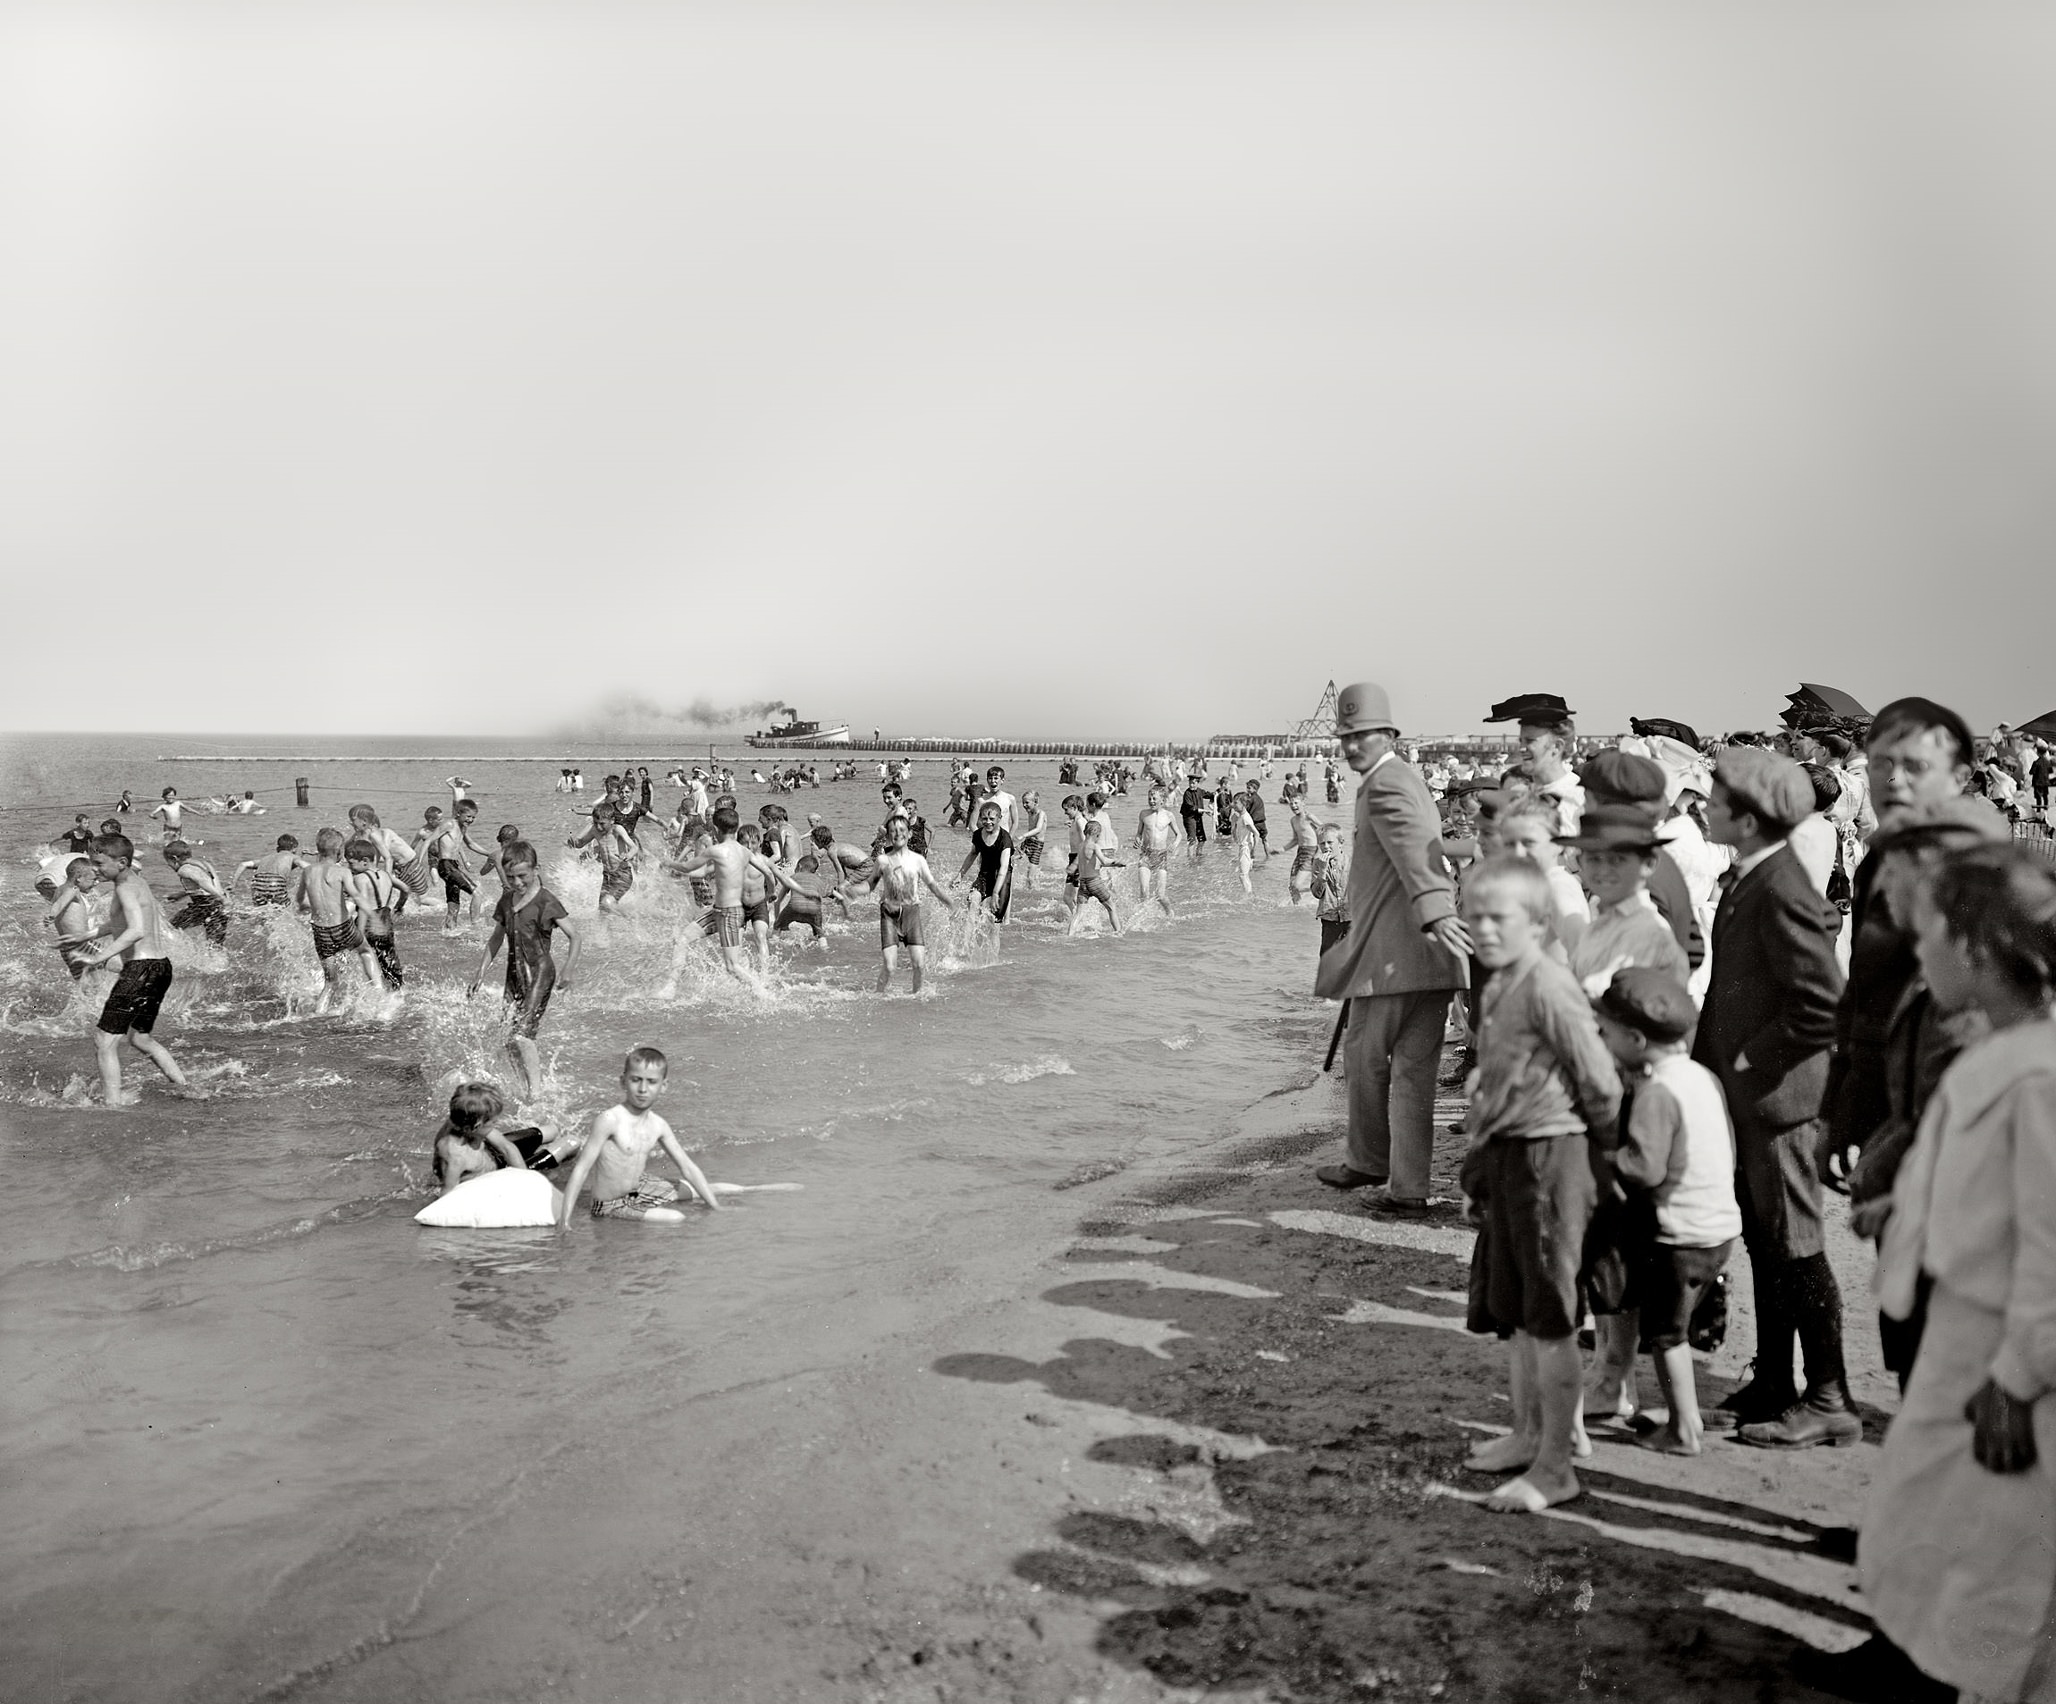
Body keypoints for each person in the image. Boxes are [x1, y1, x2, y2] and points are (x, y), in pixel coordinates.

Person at [1860, 843, 2056, 1704]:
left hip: (2007, 1370)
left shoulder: (2039, 1077)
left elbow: (2052, 1249)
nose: (1919, 948)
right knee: (1962, 1558)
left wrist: (2016, 1378)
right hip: (1967, 1347)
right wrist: (1909, 1210)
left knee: (2008, 1584)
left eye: (1930, 932)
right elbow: (1996, 1198)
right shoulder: (2000, 1052)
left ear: (1976, 950)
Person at [1694, 748, 1856, 1448]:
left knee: (1796, 1244)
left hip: (1780, 1102)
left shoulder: (1781, 885)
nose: (1706, 808)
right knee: (1766, 1241)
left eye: (1717, 800)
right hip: (1750, 1098)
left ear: (1750, 818)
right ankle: (1774, 1382)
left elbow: (1822, 1002)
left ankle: (1829, 1396)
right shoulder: (1754, 875)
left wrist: (1750, 1057)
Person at [1455, 855, 1621, 1511]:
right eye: (1474, 916)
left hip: (1552, 1156)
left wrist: (1599, 1159)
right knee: (1518, 1311)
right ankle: (1527, 1435)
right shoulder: (1501, 983)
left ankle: (1557, 1467)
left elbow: (1600, 1081)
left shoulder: (1551, 985)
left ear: (1538, 920)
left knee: (1551, 1316)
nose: (1484, 929)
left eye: (1499, 918)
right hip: (1508, 1154)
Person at [1314, 682, 1471, 1209]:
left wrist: (1435, 908)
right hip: (1428, 956)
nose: (1351, 746)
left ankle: (1367, 1161)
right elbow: (1429, 845)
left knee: (1363, 1056)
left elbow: (1412, 848)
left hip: (1395, 956)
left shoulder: (1385, 785)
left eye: (1361, 736)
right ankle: (1408, 1190)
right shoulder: (1404, 778)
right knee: (1412, 1074)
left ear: (1388, 735)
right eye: (1346, 737)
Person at [1591, 968, 1740, 1457]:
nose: (1603, 1041)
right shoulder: (1703, 1077)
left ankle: (1683, 1429)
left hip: (1680, 1235)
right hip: (1719, 1226)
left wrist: (1604, 1159)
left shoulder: (1656, 1092)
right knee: (1675, 1325)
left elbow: (1645, 1168)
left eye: (1607, 1034)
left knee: (1666, 1337)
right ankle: (1686, 1413)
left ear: (1636, 1040)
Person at [58, 833, 191, 1106]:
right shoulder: (136, 882)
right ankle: (186, 1087)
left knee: (104, 1040)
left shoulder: (124, 889)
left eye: (99, 863)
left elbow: (135, 931)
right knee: (140, 1039)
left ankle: (112, 1107)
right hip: (160, 967)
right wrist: (84, 936)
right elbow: (121, 922)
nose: (95, 869)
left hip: (140, 969)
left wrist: (98, 958)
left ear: (121, 862)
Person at [555, 1047, 724, 1225]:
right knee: (676, 1217)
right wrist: (564, 1221)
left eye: (651, 1082)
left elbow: (687, 1167)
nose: (643, 1089)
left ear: (663, 1086)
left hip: (639, 1188)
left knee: (707, 1189)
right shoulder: (610, 1120)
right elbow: (581, 1169)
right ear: (623, 1081)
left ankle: (742, 1195)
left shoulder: (658, 1125)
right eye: (636, 1080)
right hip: (610, 1204)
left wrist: (715, 1207)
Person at [470, 840, 580, 1104]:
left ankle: (536, 1092)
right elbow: (496, 938)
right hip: (514, 974)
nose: (517, 882)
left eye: (522, 876)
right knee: (507, 1036)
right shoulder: (507, 900)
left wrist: (568, 970)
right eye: (510, 877)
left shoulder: (546, 901)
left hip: (540, 972)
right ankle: (523, 1084)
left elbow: (575, 936)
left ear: (535, 870)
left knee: (522, 1033)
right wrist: (480, 973)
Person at [659, 806, 805, 986]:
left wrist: (670, 863)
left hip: (738, 910)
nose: (750, 846)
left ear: (716, 830)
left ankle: (763, 986)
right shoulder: (740, 853)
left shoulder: (722, 851)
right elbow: (705, 871)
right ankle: (671, 987)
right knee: (689, 940)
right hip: (728, 909)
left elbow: (689, 867)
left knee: (739, 959)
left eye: (754, 843)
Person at [854, 814, 957, 991]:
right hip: (889, 914)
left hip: (911, 914)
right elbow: (870, 885)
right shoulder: (883, 860)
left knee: (919, 965)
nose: (898, 834)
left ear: (909, 833)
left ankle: (916, 997)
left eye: (902, 830)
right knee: (890, 967)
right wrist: (852, 891)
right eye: (893, 831)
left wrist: (949, 902)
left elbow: (932, 886)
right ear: (888, 836)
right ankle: (877, 995)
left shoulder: (918, 860)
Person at [1487, 694, 1584, 836]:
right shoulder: (1521, 798)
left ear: (1557, 747)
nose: (1521, 748)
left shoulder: (1577, 799)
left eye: (1530, 741)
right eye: (1521, 741)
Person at [342, 836, 403, 1005]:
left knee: (348, 955)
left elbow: (363, 907)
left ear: (365, 861)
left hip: (368, 925)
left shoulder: (360, 879)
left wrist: (360, 933)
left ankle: (363, 993)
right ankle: (396, 996)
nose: (349, 867)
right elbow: (405, 889)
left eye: (351, 863)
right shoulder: (386, 875)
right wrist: (399, 906)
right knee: (389, 962)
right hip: (386, 925)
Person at [45, 857, 103, 983]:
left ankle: (92, 995)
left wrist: (52, 914)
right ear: (79, 878)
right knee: (115, 959)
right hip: (81, 943)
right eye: (93, 879)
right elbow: (60, 904)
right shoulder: (73, 890)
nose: (96, 883)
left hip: (66, 948)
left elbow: (58, 903)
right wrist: (52, 915)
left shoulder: (58, 890)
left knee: (86, 980)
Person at [162, 842, 229, 946]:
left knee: (170, 928)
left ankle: (174, 950)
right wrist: (181, 894)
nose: (169, 866)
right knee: (216, 946)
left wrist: (222, 898)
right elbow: (204, 887)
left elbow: (201, 881)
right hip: (219, 908)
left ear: (175, 859)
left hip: (204, 907)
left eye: (168, 863)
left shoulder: (184, 869)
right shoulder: (205, 865)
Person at [959, 801, 1015, 922]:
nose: (988, 822)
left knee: (992, 919)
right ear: (980, 818)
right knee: (972, 902)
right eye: (984, 818)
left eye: (992, 819)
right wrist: (960, 875)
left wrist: (995, 893)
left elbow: (1004, 868)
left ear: (999, 818)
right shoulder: (978, 835)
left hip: (1001, 878)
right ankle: (967, 935)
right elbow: (973, 854)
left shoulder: (1005, 839)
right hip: (984, 876)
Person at [1133, 787, 1182, 915]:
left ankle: (1169, 912)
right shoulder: (1144, 814)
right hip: (1146, 855)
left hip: (1161, 856)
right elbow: (1139, 833)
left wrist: (1174, 844)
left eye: (1154, 798)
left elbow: (1179, 835)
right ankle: (1142, 917)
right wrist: (1137, 839)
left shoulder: (1168, 815)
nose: (1151, 801)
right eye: (1149, 798)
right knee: (1144, 891)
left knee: (1160, 895)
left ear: (1163, 800)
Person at [235, 835, 307, 908]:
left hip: (258, 883)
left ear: (277, 849)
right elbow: (305, 866)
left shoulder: (266, 859)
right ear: (294, 848)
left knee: (261, 909)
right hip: (276, 882)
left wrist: (233, 885)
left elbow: (243, 864)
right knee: (290, 907)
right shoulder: (293, 857)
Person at [1015, 790, 1048, 888]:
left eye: (1027, 803)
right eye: (1023, 803)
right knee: (1012, 856)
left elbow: (1038, 829)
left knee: (1030, 877)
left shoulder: (1041, 814)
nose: (1024, 805)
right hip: (1028, 842)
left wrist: (1023, 835)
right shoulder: (1030, 813)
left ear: (1036, 802)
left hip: (1037, 845)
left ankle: (1033, 891)